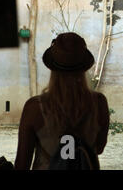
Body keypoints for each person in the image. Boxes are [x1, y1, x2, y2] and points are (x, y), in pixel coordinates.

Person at [14, 32, 110, 170]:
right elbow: (99, 148)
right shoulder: (99, 103)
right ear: (84, 67)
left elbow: (22, 163)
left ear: (52, 67)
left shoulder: (34, 107)